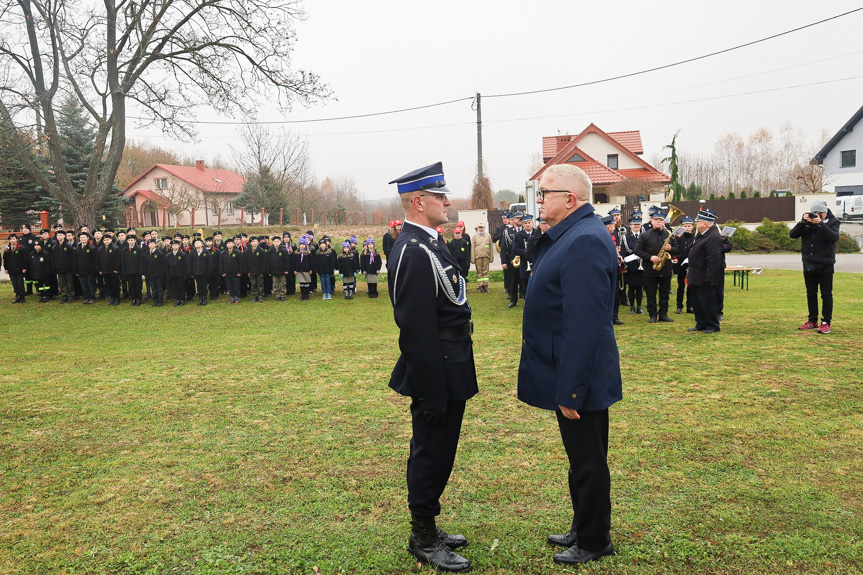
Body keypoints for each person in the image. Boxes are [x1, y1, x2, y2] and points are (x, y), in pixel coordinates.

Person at [518, 163, 621, 566]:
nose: (539, 200)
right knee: (580, 460)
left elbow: (585, 324)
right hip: (571, 371)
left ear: (570, 200)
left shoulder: (584, 240)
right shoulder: (571, 234)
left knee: (588, 462)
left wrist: (572, 388)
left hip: (581, 377)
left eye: (545, 193)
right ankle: (583, 525)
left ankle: (595, 540)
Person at [387, 162, 476, 573]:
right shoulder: (410, 249)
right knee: (430, 452)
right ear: (418, 202)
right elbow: (415, 327)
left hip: (451, 360)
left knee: (441, 451)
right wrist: (431, 390)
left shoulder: (431, 242)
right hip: (435, 367)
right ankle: (422, 535)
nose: (448, 201)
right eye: (441, 196)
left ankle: (429, 525)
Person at [789, 200, 840, 334]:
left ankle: (826, 322)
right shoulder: (807, 223)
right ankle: (812, 320)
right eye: (814, 213)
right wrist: (802, 221)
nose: (816, 215)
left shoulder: (833, 222)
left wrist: (821, 224)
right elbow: (792, 234)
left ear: (824, 212)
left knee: (826, 293)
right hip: (809, 263)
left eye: (819, 213)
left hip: (826, 263)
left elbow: (833, 237)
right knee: (811, 293)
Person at [634, 210, 678, 323]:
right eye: (656, 220)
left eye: (660, 220)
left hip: (666, 268)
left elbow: (677, 249)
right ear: (651, 221)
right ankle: (652, 315)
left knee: (664, 293)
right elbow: (637, 250)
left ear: (664, 222)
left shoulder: (669, 234)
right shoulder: (645, 235)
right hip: (650, 269)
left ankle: (663, 315)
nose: (658, 222)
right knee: (651, 293)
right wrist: (650, 257)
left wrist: (670, 249)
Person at [686, 209, 723, 334]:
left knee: (707, 301)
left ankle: (712, 325)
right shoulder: (702, 235)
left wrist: (710, 278)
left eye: (698, 221)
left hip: (704, 277)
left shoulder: (713, 236)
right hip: (696, 275)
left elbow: (714, 259)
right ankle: (700, 323)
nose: (696, 223)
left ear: (705, 223)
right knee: (697, 302)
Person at [620, 216, 644, 315]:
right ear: (630, 226)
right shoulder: (626, 237)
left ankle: (639, 306)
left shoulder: (644, 236)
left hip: (642, 266)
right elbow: (623, 251)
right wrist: (624, 266)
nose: (636, 226)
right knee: (631, 288)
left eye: (638, 224)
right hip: (631, 266)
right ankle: (632, 307)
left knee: (640, 288)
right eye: (634, 224)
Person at [513, 214, 541, 299]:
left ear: (532, 223)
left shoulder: (538, 233)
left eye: (529, 222)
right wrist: (526, 252)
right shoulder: (518, 235)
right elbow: (515, 249)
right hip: (525, 263)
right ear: (522, 224)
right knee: (525, 283)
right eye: (525, 223)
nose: (527, 224)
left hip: (536, 262)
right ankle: (526, 300)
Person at [674, 217, 695, 314]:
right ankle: (679, 306)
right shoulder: (678, 237)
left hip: (692, 264)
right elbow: (675, 248)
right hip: (681, 264)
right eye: (685, 226)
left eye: (689, 226)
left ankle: (690, 306)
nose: (687, 228)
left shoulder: (695, 236)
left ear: (692, 226)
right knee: (681, 286)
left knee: (691, 287)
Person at [188, 238, 214, 306]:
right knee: (199, 286)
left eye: (198, 243)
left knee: (204, 286)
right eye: (195, 243)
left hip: (204, 273)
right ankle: (200, 299)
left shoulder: (206, 252)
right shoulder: (192, 253)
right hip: (196, 273)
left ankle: (205, 299)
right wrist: (191, 272)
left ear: (202, 244)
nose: (197, 244)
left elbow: (210, 263)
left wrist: (209, 272)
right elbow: (190, 264)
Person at [3, 234, 28, 303]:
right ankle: (17, 296)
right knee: (14, 283)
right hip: (11, 269)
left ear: (17, 239)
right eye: (10, 239)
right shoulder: (7, 249)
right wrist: (6, 268)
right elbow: (5, 259)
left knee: (20, 283)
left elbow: (25, 259)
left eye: (13, 239)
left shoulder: (21, 248)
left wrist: (24, 268)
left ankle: (22, 297)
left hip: (20, 269)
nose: (12, 240)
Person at [98, 234, 122, 306]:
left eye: (107, 240)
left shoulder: (115, 248)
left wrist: (116, 269)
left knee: (115, 284)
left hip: (113, 271)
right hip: (105, 270)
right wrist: (100, 269)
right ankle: (112, 297)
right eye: (104, 240)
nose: (106, 241)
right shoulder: (100, 249)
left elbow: (118, 260)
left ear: (111, 240)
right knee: (108, 285)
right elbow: (98, 260)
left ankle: (117, 298)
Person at [470, 222, 493, 293]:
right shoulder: (475, 236)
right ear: (478, 228)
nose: (481, 228)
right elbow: (473, 248)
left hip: (486, 256)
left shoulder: (488, 235)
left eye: (482, 227)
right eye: (479, 227)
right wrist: (473, 258)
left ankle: (486, 285)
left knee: (486, 272)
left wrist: (491, 257)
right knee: (479, 272)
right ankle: (480, 286)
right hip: (478, 256)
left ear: (484, 228)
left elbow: (491, 247)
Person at [144, 238, 167, 307]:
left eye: (152, 244)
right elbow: (145, 264)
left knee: (159, 288)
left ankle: (160, 301)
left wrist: (162, 274)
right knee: (153, 288)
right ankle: (155, 300)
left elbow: (163, 265)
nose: (151, 245)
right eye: (149, 244)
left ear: (155, 244)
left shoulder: (159, 253)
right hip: (150, 274)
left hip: (158, 275)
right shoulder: (147, 253)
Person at [166, 240, 188, 306]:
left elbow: (185, 265)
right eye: (173, 245)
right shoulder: (168, 255)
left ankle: (182, 299)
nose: (174, 246)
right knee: (175, 288)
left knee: (181, 287)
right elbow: (167, 266)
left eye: (176, 245)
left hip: (180, 274)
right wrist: (168, 275)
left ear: (179, 246)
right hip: (172, 275)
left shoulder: (182, 254)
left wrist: (185, 275)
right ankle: (178, 299)